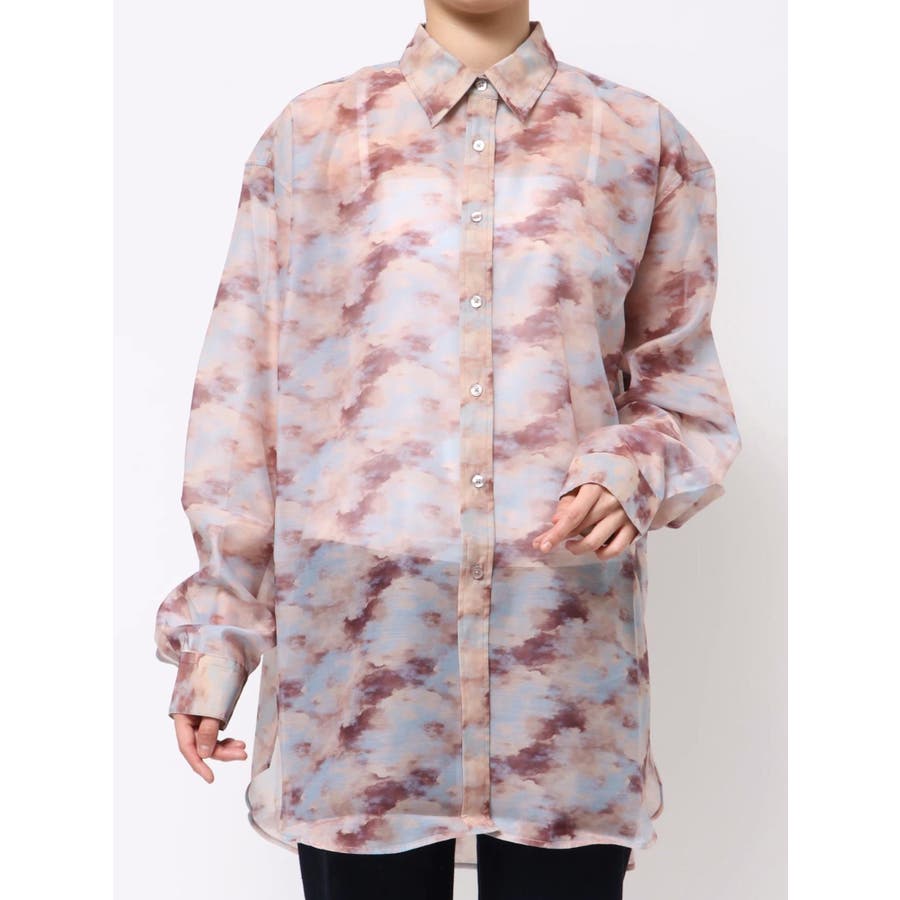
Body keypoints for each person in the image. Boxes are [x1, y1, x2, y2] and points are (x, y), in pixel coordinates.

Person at [154, 1, 742, 898]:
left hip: (560, 664)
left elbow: (685, 395)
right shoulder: (312, 138)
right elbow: (243, 400)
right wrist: (217, 639)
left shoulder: (639, 141)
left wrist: (631, 469)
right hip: (362, 669)